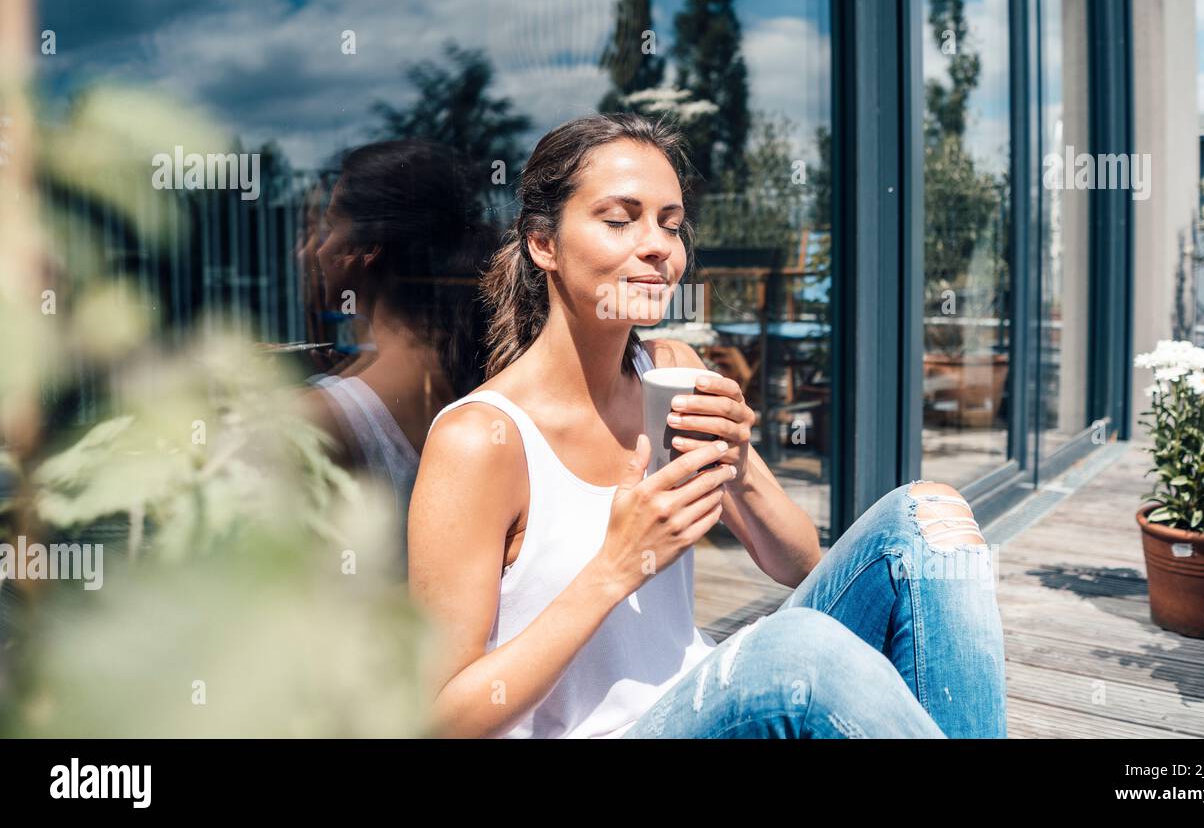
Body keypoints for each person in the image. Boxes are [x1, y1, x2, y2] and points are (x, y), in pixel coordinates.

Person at [408, 112, 1006, 738]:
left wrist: (738, 465)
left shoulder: (671, 370)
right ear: (543, 243)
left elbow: (800, 562)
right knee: (796, 649)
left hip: (700, 704)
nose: (658, 246)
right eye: (619, 220)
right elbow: (440, 719)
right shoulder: (482, 440)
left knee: (927, 519)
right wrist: (617, 567)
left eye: (670, 225)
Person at [298, 139, 496, 570]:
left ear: (365, 249)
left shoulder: (320, 420)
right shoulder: (497, 368)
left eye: (330, 228)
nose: (315, 250)